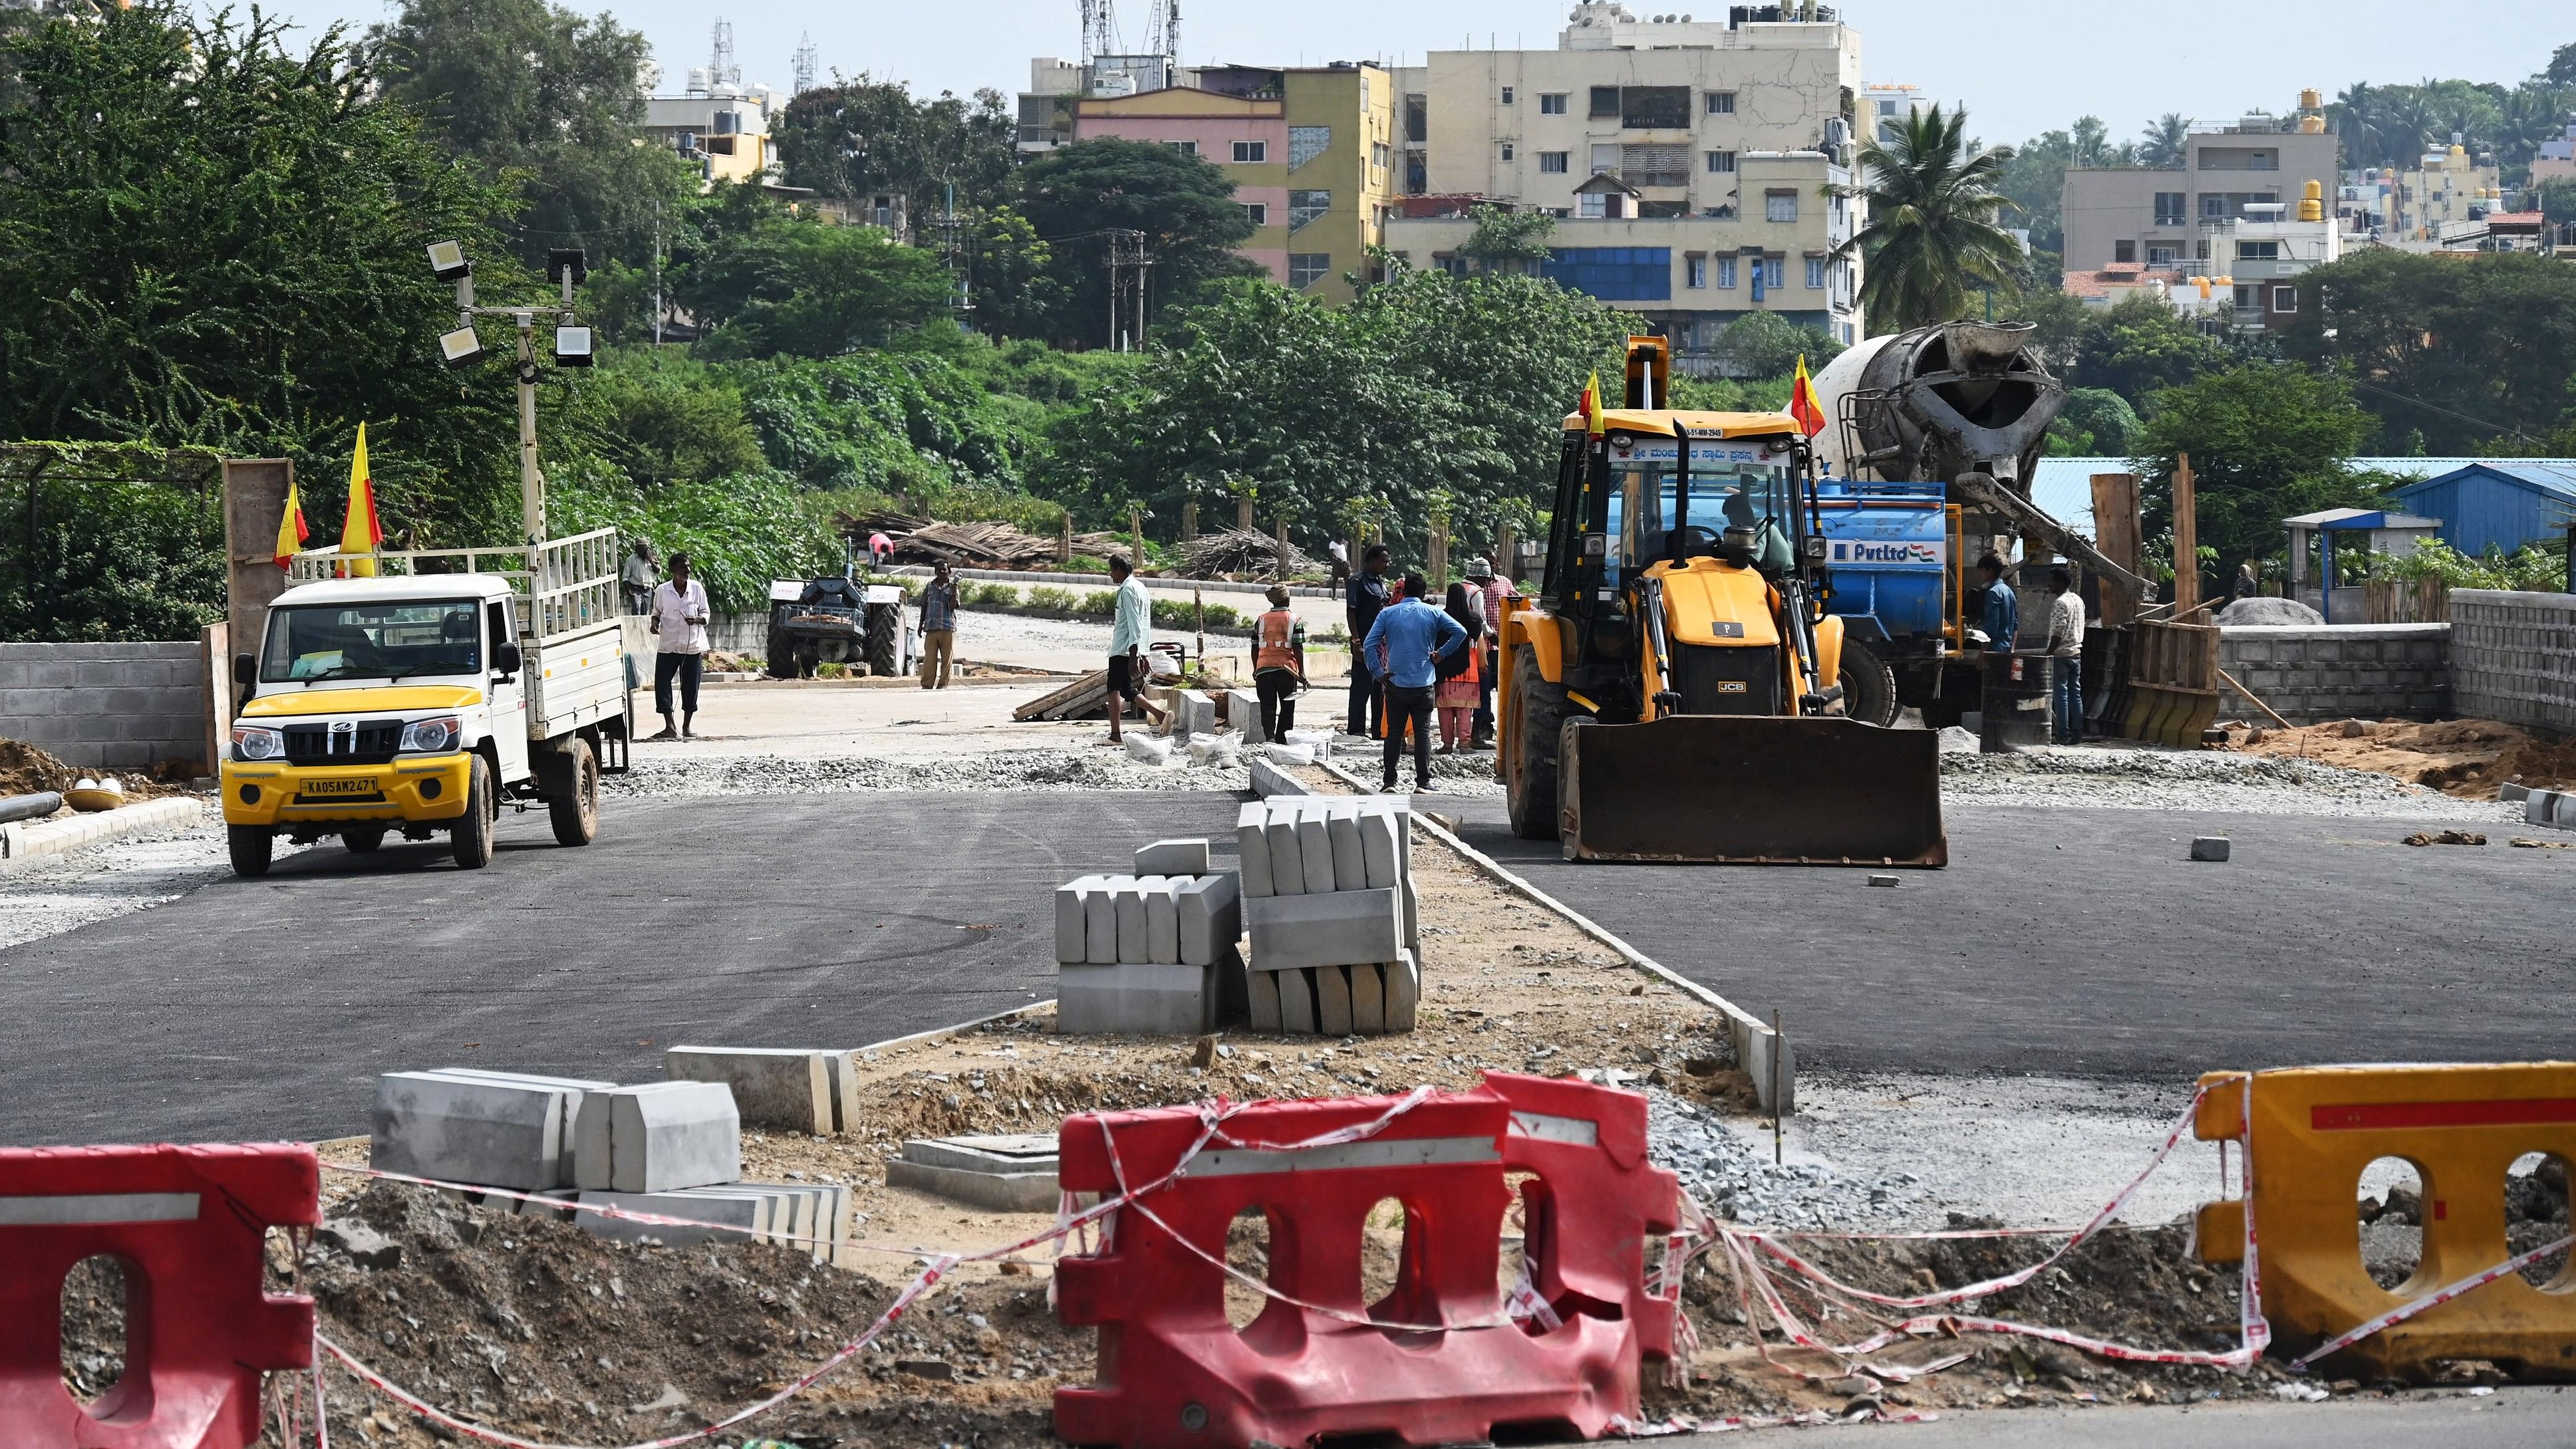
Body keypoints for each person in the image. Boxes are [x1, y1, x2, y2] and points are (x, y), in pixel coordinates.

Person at [1361, 571, 1469, 793]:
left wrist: (1378, 671)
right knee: (1422, 733)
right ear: (1423, 592)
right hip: (1423, 682)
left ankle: (1389, 782)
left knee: (1393, 733)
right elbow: (1461, 632)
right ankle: (1423, 782)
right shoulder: (1432, 613)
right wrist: (1441, 654)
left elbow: (1369, 644)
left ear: (1403, 591)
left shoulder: (1387, 614)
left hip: (1395, 682)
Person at [648, 551, 710, 740]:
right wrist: (654, 623)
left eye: (688, 566)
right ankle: (669, 726)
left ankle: (687, 727)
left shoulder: (697, 589)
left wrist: (697, 619)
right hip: (668, 645)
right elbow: (656, 612)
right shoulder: (662, 590)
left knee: (691, 686)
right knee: (662, 684)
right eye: (683, 567)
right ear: (673, 570)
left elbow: (706, 614)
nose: (688, 570)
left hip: (691, 647)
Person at [1467, 556, 1518, 747]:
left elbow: (1517, 601)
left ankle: (1503, 727)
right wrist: (1491, 635)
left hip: (1500, 646)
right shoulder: (1475, 590)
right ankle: (1483, 728)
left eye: (1493, 562)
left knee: (1503, 687)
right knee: (1483, 690)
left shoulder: (1504, 583)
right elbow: (1480, 619)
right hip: (1483, 646)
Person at [1345, 545, 1392, 737]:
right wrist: (1357, 642)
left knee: (1379, 689)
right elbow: (1351, 612)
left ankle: (1378, 731)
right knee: (1361, 687)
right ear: (1372, 561)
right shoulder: (1358, 581)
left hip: (1380, 645)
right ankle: (1356, 730)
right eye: (1384, 560)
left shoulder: (1380, 582)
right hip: (1364, 641)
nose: (1387, 564)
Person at [1104, 555, 1152, 743]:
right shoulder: (1140, 587)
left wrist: (1135, 656)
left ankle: (1115, 735)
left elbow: (1135, 623)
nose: (1110, 575)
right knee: (1126, 689)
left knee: (1113, 688)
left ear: (1118, 569)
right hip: (1131, 648)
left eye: (1111, 570)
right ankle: (1162, 715)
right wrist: (1143, 652)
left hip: (1123, 648)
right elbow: (1145, 624)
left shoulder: (1128, 590)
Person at [1435, 581, 1486, 753]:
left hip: (1444, 670)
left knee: (1445, 709)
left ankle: (1447, 744)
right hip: (1468, 670)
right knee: (1465, 710)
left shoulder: (1441, 617)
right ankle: (1465, 744)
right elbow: (1480, 643)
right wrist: (1483, 665)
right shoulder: (1473, 618)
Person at [1252, 584, 1306, 740]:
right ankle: (1283, 739)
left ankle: (1270, 737)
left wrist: (1256, 668)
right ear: (1287, 599)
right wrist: (1301, 672)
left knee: (1267, 705)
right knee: (1287, 706)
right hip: (1287, 670)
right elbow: (1298, 647)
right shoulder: (1294, 619)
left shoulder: (1261, 620)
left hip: (1264, 669)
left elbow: (1254, 646)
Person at [2045, 565, 2086, 744]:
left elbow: (2058, 632)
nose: (2049, 585)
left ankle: (2063, 734)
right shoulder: (2078, 600)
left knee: (2060, 695)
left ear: (2061, 582)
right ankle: (2077, 734)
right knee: (2075, 694)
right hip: (2076, 653)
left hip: (2061, 655)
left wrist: (2048, 653)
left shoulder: (2060, 603)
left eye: (2052, 581)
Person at [917, 560, 960, 690]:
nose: (942, 572)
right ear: (935, 571)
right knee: (929, 659)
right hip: (931, 627)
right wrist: (920, 626)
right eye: (939, 570)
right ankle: (927, 684)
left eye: (944, 570)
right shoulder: (929, 586)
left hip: (947, 628)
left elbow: (953, 608)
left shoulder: (953, 587)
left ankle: (942, 685)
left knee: (946, 660)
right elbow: (924, 606)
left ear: (949, 572)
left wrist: (953, 592)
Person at [1975, 553, 2019, 653]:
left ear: (1990, 571)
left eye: (1982, 571)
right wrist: (2012, 649)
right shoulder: (2009, 591)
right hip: (2007, 648)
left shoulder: (1993, 593)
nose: (1980, 575)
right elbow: (2015, 624)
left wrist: (1983, 654)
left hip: (1994, 649)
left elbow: (1991, 628)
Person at [621, 539, 658, 616]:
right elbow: (625, 578)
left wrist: (651, 560)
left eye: (646, 549)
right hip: (636, 589)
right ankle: (634, 627)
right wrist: (629, 590)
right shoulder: (631, 560)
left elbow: (657, 571)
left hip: (648, 589)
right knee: (636, 609)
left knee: (645, 613)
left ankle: (643, 628)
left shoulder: (652, 559)